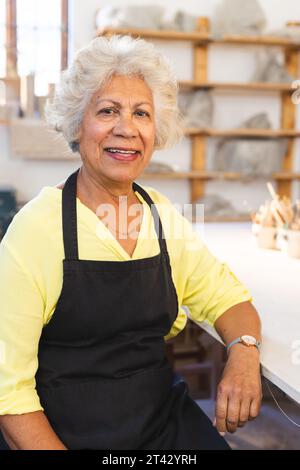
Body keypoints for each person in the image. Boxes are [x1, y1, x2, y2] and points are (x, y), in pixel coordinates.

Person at [0, 35, 262, 450]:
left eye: (141, 113)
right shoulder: (35, 230)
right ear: (77, 123)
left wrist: (244, 354)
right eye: (107, 111)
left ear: (155, 130)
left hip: (157, 420)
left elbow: (229, 299)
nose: (126, 128)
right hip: (62, 431)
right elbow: (8, 393)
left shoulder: (162, 218)